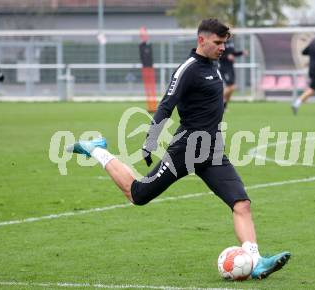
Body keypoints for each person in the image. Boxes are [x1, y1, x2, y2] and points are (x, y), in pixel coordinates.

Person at [67, 18, 290, 280]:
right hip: (185, 151)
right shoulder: (188, 68)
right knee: (137, 194)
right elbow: (165, 105)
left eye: (225, 43)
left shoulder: (213, 66)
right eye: (218, 43)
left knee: (241, 203)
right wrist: (151, 141)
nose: (222, 48)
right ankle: (96, 149)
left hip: (213, 152)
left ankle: (256, 260)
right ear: (201, 40)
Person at [219, 38, 247, 110]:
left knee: (232, 88)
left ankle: (224, 106)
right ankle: (217, 102)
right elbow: (218, 54)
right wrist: (226, 57)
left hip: (230, 67)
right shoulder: (220, 41)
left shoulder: (231, 42)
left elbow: (233, 53)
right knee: (230, 86)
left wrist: (242, 52)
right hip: (223, 67)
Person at [139, 26, 157, 113]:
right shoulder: (141, 46)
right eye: (141, 34)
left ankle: (154, 106)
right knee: (147, 88)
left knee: (152, 88)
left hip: (151, 68)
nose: (143, 35)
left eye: (144, 34)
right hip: (144, 68)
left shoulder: (150, 45)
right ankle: (149, 107)